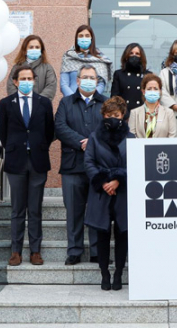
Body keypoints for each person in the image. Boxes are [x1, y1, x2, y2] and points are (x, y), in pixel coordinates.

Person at [0, 64, 55, 266]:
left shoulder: (44, 103)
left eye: (30, 79)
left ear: (34, 81)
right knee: (17, 209)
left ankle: (35, 251)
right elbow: (2, 132)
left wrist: (38, 146)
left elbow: (50, 131)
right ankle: (16, 251)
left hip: (38, 160)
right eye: (22, 79)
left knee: (35, 209)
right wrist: (14, 148)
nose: (26, 82)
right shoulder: (6, 103)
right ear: (15, 82)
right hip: (16, 162)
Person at [55, 65, 105, 264]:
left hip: (98, 166)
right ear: (77, 80)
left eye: (92, 77)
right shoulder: (66, 102)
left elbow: (110, 127)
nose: (89, 81)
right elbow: (60, 127)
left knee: (96, 210)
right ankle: (74, 251)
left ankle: (96, 251)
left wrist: (92, 142)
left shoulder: (105, 103)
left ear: (97, 81)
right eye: (85, 77)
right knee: (74, 210)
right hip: (72, 166)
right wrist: (80, 142)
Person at [84, 96, 132, 291]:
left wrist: (118, 179)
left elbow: (135, 162)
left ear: (123, 116)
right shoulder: (94, 137)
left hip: (123, 192)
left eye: (117, 115)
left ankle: (118, 273)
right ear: (103, 115)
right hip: (101, 193)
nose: (113, 118)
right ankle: (104, 274)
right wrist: (103, 182)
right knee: (102, 235)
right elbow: (89, 162)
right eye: (109, 115)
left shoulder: (131, 138)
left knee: (122, 234)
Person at [59, 25, 113, 97]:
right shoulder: (68, 57)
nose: (84, 38)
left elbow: (101, 84)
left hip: (93, 101)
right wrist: (73, 99)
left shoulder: (100, 59)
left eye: (87, 36)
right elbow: (64, 84)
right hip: (71, 101)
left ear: (91, 38)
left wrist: (90, 99)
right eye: (81, 36)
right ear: (77, 38)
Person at [6, 34, 58, 100]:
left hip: (41, 105)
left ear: (41, 50)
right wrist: (21, 101)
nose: (34, 49)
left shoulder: (47, 68)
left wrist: (37, 101)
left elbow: (51, 87)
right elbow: (11, 86)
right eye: (31, 47)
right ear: (25, 50)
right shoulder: (17, 67)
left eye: (37, 47)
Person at [128, 74, 177, 139]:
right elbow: (131, 137)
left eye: (155, 89)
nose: (152, 91)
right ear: (143, 91)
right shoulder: (134, 113)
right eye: (149, 89)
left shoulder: (169, 113)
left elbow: (172, 136)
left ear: (160, 91)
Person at [111, 42, 150, 114]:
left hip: (142, 114)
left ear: (141, 57)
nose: (134, 55)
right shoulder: (119, 74)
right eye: (131, 53)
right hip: (124, 114)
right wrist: (124, 115)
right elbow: (115, 98)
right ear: (126, 56)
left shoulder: (148, 75)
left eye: (137, 54)